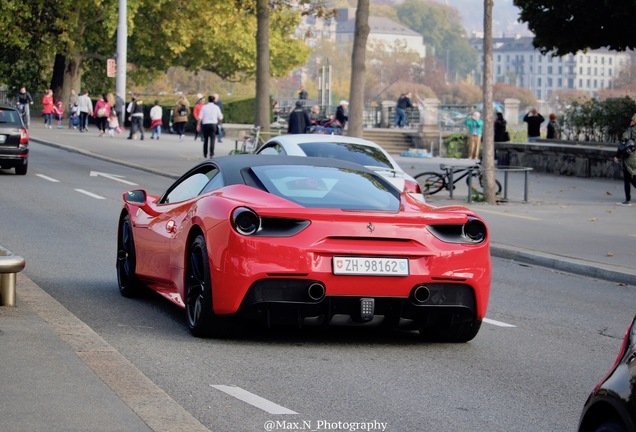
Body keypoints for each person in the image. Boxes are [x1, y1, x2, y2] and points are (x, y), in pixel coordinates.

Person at [614, 114, 636, 206]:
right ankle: (627, 199)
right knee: (632, 177)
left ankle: (628, 200)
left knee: (628, 178)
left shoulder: (629, 131)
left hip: (629, 158)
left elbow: (622, 145)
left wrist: (617, 156)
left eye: (632, 120)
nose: (630, 121)